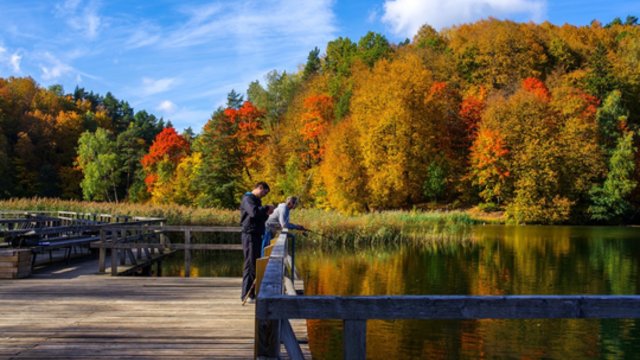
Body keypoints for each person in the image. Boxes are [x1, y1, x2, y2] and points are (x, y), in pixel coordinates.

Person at [240, 181, 273, 302]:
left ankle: (251, 294)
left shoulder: (256, 201)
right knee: (250, 265)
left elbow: (260, 217)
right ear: (259, 188)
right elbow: (253, 213)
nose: (264, 195)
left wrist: (267, 212)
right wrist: (266, 208)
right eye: (264, 192)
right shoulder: (248, 199)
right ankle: (246, 295)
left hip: (256, 235)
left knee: (254, 264)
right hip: (249, 235)